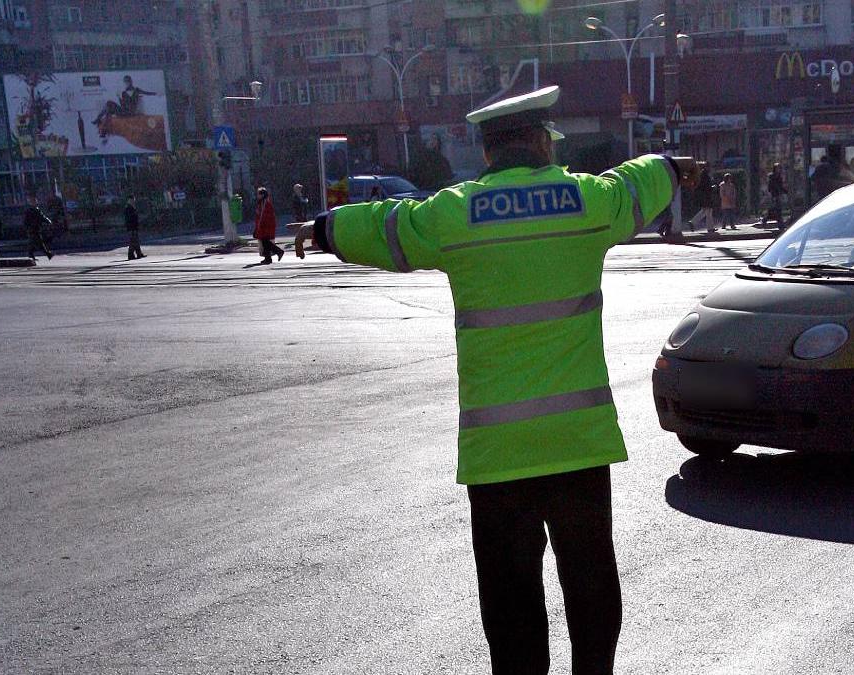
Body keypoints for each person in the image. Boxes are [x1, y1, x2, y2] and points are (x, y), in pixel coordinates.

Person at [292, 85, 700, 674]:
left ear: (488, 153)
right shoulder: (588, 201)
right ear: (540, 141)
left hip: (498, 456)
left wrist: (327, 228)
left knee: (511, 607)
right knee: (590, 589)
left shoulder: (454, 213)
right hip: (577, 445)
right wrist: (669, 164)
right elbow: (638, 184)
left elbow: (386, 227)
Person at [253, 187, 283, 264]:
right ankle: (268, 258)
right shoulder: (261, 203)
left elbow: (264, 216)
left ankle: (278, 251)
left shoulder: (265, 203)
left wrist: (259, 226)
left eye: (259, 194)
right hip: (263, 226)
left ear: (262, 195)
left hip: (266, 226)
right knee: (264, 242)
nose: (257, 195)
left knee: (265, 242)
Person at [23, 195, 53, 261]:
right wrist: (48, 221)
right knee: (39, 242)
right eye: (34, 201)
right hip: (34, 228)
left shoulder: (32, 209)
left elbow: (41, 217)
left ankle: (31, 254)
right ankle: (48, 254)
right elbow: (42, 217)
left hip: (34, 228)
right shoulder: (33, 210)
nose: (36, 202)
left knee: (35, 242)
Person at [687, 163, 715, 233]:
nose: (710, 169)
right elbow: (706, 187)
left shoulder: (702, 175)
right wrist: (712, 187)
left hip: (703, 196)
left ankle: (693, 222)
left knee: (705, 211)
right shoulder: (705, 176)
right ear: (707, 167)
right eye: (709, 167)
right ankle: (709, 228)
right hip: (706, 196)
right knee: (708, 211)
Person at [762, 163, 785, 227]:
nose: (778, 169)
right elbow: (770, 186)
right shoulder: (772, 176)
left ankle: (766, 219)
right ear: (774, 169)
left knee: (776, 209)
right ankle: (780, 223)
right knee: (776, 209)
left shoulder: (780, 176)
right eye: (777, 168)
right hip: (774, 195)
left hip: (778, 194)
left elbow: (781, 186)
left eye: (779, 168)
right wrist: (771, 194)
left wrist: (784, 191)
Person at [124, 195, 145, 260]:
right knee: (133, 241)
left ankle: (138, 254)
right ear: (129, 200)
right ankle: (131, 255)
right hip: (131, 227)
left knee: (136, 241)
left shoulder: (131, 207)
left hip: (133, 226)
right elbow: (130, 218)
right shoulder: (128, 208)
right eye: (132, 200)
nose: (134, 201)